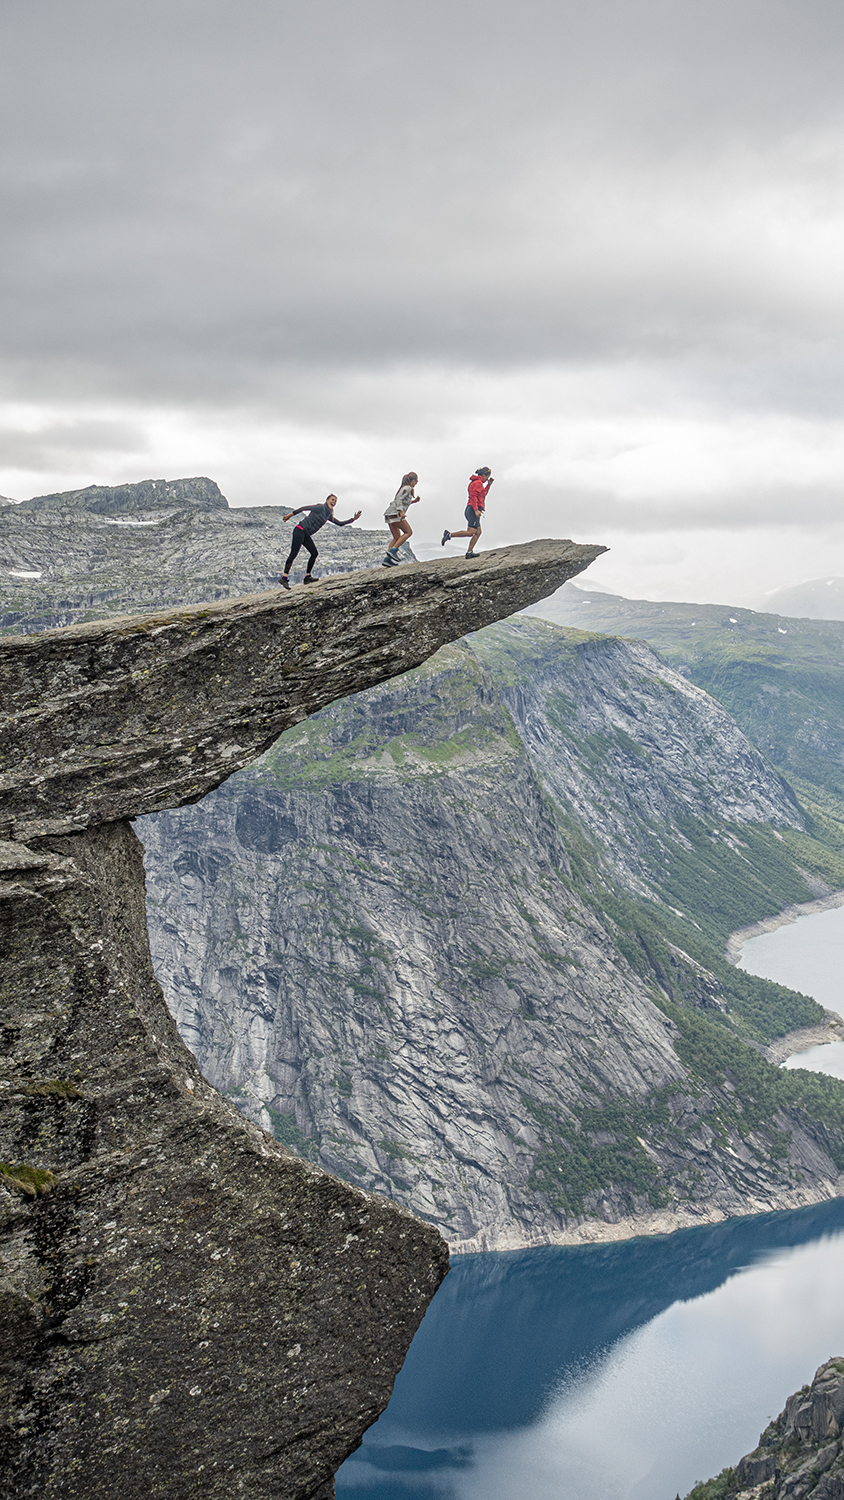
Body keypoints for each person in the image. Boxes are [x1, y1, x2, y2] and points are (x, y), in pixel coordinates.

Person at [279, 494, 362, 588]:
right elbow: (303, 508)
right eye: (332, 499)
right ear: (327, 500)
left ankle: (307, 577)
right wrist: (289, 515)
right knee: (293, 554)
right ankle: (284, 578)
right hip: (300, 530)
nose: (334, 502)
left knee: (314, 553)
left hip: (306, 534)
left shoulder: (328, 514)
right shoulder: (320, 507)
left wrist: (353, 519)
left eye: (335, 501)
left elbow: (340, 523)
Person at [441, 467, 493, 557]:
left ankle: (469, 552)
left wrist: (488, 485)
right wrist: (476, 509)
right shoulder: (478, 483)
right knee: (471, 532)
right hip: (473, 509)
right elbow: (473, 496)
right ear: (484, 475)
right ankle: (449, 535)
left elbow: (482, 494)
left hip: (471, 509)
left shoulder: (475, 482)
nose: (487, 478)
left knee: (478, 532)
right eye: (487, 476)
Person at [383, 472, 420, 566]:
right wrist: (401, 512)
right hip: (395, 513)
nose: (417, 483)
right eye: (416, 481)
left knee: (396, 537)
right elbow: (398, 499)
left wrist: (413, 501)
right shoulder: (408, 488)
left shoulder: (405, 488)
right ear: (413, 481)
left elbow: (403, 501)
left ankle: (387, 559)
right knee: (408, 532)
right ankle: (393, 550)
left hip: (389, 514)